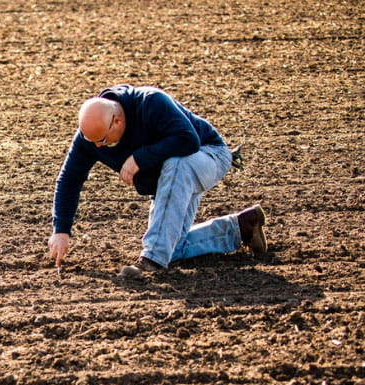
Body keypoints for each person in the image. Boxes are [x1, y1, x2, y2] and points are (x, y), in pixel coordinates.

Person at [47, 84, 267, 278]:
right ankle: (241, 228)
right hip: (170, 181)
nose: (97, 147)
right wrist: (61, 230)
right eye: (91, 141)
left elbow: (187, 140)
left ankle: (152, 261)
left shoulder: (150, 101)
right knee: (172, 243)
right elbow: (69, 180)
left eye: (102, 140)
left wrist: (139, 158)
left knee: (176, 164)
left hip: (207, 155)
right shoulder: (92, 136)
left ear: (117, 121)